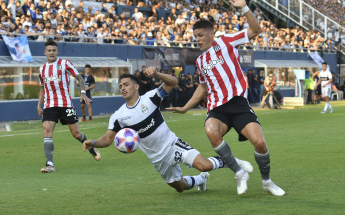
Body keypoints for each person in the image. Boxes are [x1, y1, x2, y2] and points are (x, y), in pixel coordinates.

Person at [166, 0, 285, 196]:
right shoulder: (200, 61)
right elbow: (202, 87)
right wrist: (185, 108)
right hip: (217, 108)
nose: (198, 40)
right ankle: (239, 172)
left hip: (238, 104)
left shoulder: (227, 41)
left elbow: (255, 30)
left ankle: (266, 181)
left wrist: (244, 8)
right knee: (211, 131)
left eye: (201, 35)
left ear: (212, 33)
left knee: (259, 143)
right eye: (195, 37)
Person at [83, 68, 254, 193]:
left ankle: (233, 162)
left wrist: (156, 74)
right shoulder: (119, 116)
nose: (123, 88)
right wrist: (94, 143)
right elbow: (108, 138)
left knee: (205, 165)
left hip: (172, 145)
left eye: (126, 84)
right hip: (157, 159)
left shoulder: (151, 98)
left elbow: (173, 82)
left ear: (136, 87)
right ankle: (200, 180)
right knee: (180, 187)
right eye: (120, 85)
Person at [37, 39, 101, 173]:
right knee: (46, 131)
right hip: (49, 105)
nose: (51, 52)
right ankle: (49, 164)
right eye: (49, 50)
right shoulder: (42, 69)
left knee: (76, 134)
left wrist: (83, 93)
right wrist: (39, 105)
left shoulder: (65, 63)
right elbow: (42, 89)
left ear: (57, 51)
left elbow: (80, 79)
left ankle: (91, 147)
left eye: (54, 50)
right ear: (45, 52)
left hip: (65, 104)